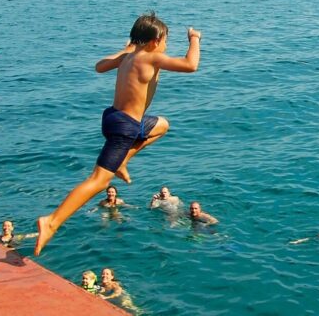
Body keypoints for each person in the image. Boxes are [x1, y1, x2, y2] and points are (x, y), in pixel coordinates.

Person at [34, 13, 201, 255]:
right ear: (155, 40)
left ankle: (123, 161)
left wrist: (126, 49)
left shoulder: (127, 57)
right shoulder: (153, 58)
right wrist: (194, 39)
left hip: (115, 117)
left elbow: (100, 66)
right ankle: (51, 222)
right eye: (166, 40)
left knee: (162, 125)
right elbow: (191, 65)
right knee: (98, 181)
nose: (166, 45)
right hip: (125, 128)